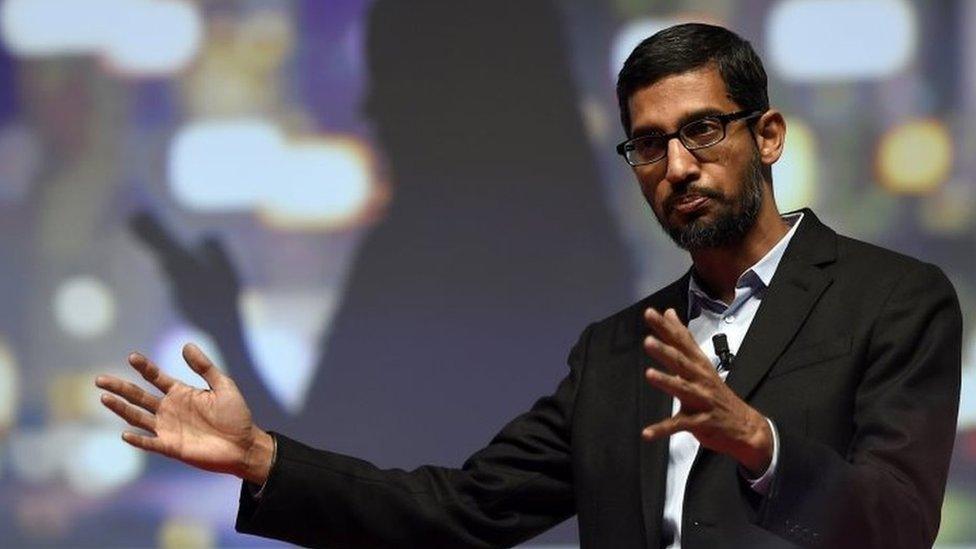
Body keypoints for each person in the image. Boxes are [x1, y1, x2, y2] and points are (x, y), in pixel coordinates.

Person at [95, 23, 961, 548]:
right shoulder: (620, 349)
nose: (678, 166)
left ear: (767, 134)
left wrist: (760, 443)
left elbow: (896, 527)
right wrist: (262, 459)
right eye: (649, 145)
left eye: (702, 130)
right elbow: (459, 512)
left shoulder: (892, 300)